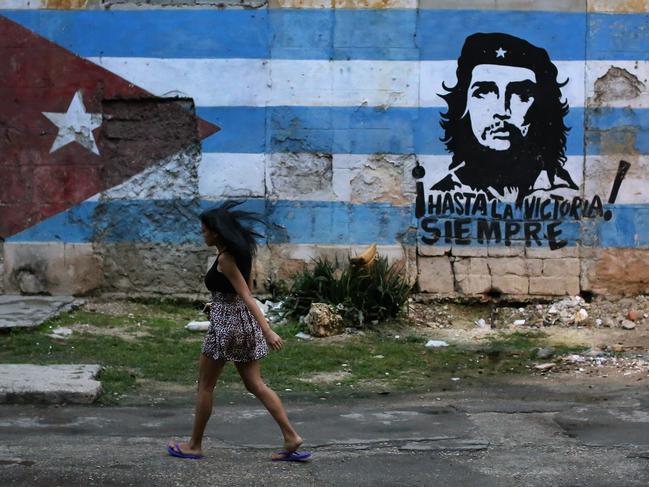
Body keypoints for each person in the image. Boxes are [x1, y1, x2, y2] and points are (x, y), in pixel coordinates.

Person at [167, 201, 309, 462]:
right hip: (239, 322)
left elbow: (246, 295)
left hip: (227, 328)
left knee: (205, 386)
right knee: (255, 384)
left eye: (205, 230)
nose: (203, 233)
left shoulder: (226, 258)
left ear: (217, 232)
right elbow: (233, 293)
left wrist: (268, 331)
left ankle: (194, 445)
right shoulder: (238, 253)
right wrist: (217, 304)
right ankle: (291, 436)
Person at [432, 32, 578, 205]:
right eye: (484, 92)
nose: (502, 110)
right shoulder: (444, 194)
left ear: (543, 109)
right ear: (463, 106)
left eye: (521, 94)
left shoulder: (563, 192)